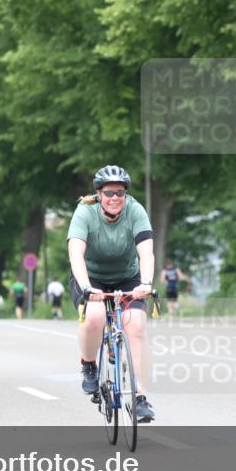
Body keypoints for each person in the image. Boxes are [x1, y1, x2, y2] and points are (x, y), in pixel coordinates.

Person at [67, 164, 156, 423]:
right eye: (109, 193)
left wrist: (146, 283)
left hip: (128, 277)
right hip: (91, 277)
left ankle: (139, 397)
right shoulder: (85, 211)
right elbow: (76, 253)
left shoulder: (136, 210)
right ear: (99, 194)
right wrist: (86, 287)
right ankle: (89, 365)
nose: (115, 198)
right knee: (95, 317)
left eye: (119, 192)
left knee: (136, 325)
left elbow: (146, 252)